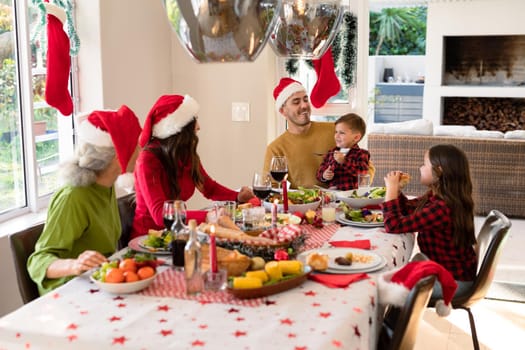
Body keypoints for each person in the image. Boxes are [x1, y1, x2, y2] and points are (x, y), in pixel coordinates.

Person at [27, 106, 142, 295]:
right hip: (68, 294)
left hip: (98, 285)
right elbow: (37, 261)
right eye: (136, 144)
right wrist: (75, 264)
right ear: (117, 156)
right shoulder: (73, 197)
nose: (140, 150)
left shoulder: (106, 185)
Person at [131, 94, 254, 240]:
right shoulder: (148, 160)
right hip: (148, 241)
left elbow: (209, 188)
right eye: (194, 120)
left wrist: (237, 196)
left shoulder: (185, 154)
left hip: (176, 234)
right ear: (180, 128)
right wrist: (207, 216)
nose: (199, 126)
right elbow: (160, 215)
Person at [381, 144, 477, 299]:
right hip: (442, 272)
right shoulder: (439, 196)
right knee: (390, 278)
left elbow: (393, 225)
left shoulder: (443, 207)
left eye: (424, 164)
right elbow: (409, 208)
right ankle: (394, 319)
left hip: (452, 282)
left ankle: (396, 322)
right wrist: (397, 191)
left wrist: (391, 189)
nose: (420, 168)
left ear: (439, 171)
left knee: (387, 289)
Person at [263, 77, 335, 188]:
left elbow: (363, 164)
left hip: (338, 203)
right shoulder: (276, 148)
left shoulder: (334, 131)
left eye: (306, 100)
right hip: (300, 204)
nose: (304, 105)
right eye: (296, 102)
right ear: (283, 111)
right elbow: (270, 189)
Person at [316, 113, 370, 190]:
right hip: (332, 194)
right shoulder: (331, 153)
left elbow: (363, 173)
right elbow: (320, 171)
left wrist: (344, 161)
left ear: (356, 137)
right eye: (336, 132)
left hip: (351, 195)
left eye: (341, 133)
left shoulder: (362, 154)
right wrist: (324, 175)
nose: (336, 136)